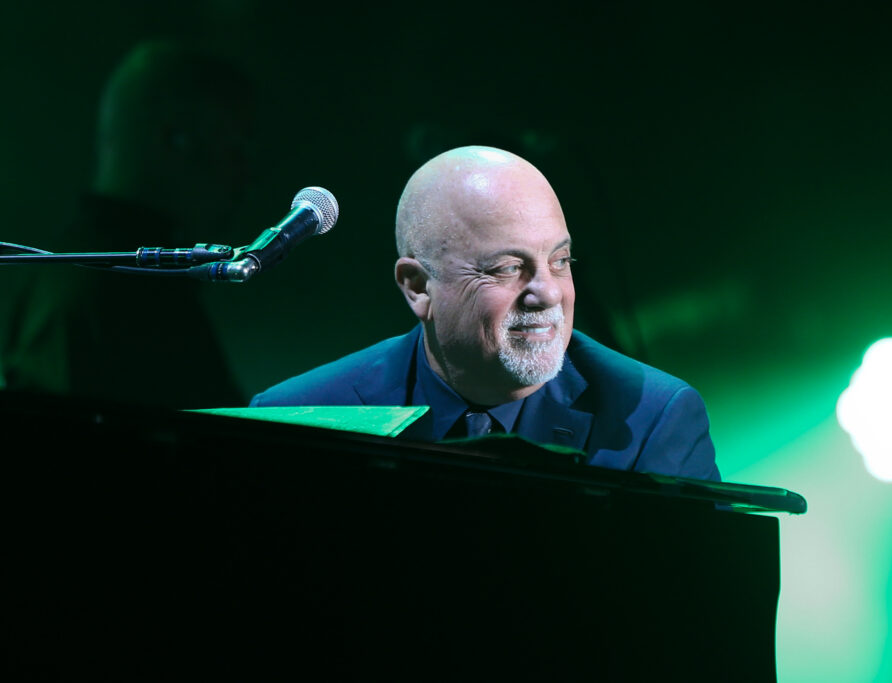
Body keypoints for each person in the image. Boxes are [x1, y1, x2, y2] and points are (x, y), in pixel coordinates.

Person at [251, 146, 720, 480]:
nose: (548, 294)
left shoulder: (651, 418)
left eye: (560, 261)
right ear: (418, 287)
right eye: (508, 268)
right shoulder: (297, 419)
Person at [1, 40, 251, 408]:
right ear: (176, 140)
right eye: (235, 151)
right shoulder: (114, 289)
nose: (245, 176)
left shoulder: (81, 277)